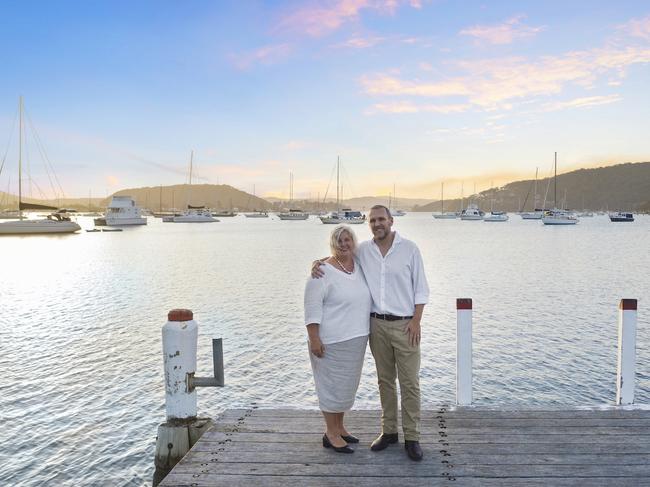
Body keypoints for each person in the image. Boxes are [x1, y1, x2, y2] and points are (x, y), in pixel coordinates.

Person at [312, 205, 429, 461]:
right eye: (373, 220)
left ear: (391, 221)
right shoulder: (364, 250)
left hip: (405, 325)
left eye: (381, 219)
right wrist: (318, 262)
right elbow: (339, 255)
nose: (377, 224)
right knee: (384, 381)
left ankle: (412, 437)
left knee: (409, 383)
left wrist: (417, 321)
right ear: (369, 224)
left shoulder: (410, 249)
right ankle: (389, 432)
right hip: (376, 325)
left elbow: (421, 289)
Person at [304, 225, 371, 454]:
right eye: (339, 241)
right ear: (333, 244)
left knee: (345, 387)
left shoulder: (359, 265)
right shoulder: (321, 272)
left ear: (354, 242)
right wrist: (314, 338)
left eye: (347, 240)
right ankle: (330, 433)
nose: (344, 244)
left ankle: (340, 427)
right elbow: (311, 308)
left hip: (356, 339)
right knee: (330, 387)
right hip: (330, 341)